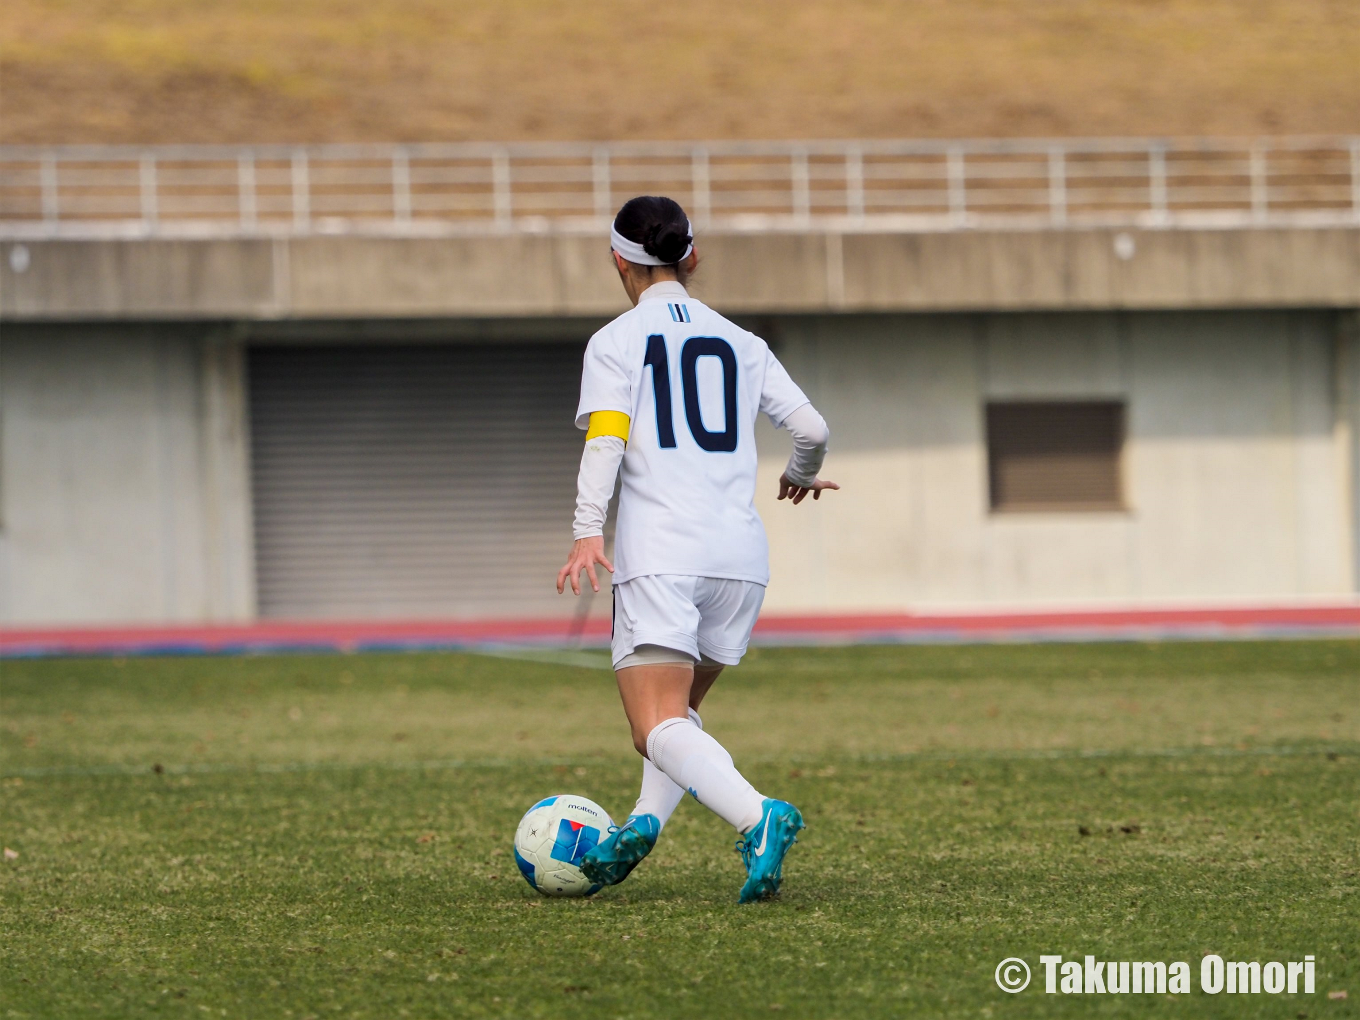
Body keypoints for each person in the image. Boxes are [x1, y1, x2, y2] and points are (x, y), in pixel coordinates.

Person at [556, 195, 837, 903]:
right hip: (739, 561)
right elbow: (811, 429)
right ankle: (640, 830)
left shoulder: (617, 341)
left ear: (619, 260)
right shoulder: (744, 342)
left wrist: (588, 529)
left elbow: (608, 440)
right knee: (673, 722)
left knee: (655, 727)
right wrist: (799, 477)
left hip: (663, 555)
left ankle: (758, 816)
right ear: (693, 255)